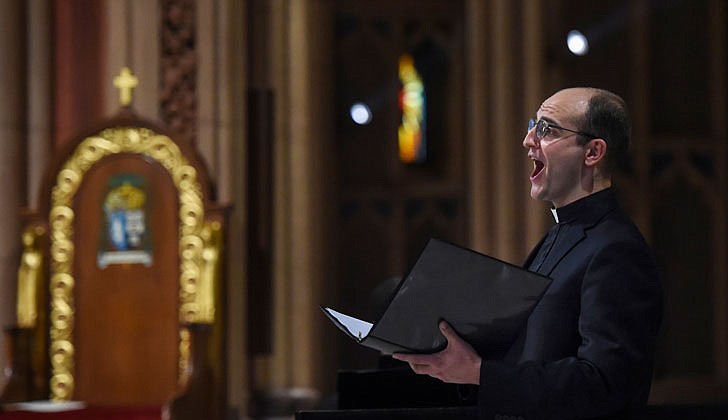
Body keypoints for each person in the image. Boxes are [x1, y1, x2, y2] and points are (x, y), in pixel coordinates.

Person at [393, 87, 663, 420]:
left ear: (592, 152)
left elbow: (603, 384)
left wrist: (480, 372)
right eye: (533, 124)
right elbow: (534, 355)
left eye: (548, 129)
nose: (528, 139)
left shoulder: (617, 250)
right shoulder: (562, 235)